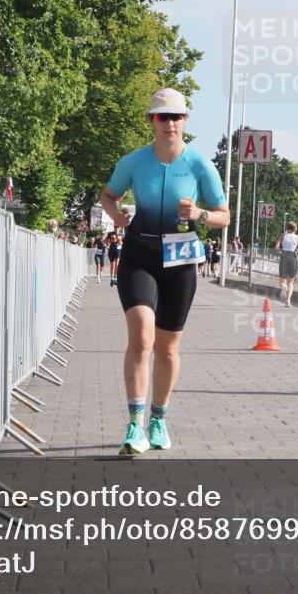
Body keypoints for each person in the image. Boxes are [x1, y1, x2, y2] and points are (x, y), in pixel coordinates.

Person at [100, 88, 230, 454]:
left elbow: (224, 216)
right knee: (142, 338)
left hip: (180, 260)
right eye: (162, 117)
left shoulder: (200, 165)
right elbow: (108, 196)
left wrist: (200, 214)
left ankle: (158, 418)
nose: (169, 123)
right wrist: (116, 215)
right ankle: (134, 425)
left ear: (185, 120)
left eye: (175, 116)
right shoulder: (134, 162)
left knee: (168, 349)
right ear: (151, 121)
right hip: (140, 255)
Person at [274, 221, 298, 307]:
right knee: (291, 282)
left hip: (284, 257)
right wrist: (297, 250)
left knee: (282, 280)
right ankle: (288, 301)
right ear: (295, 229)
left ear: (287, 228)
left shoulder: (283, 236)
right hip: (293, 258)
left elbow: (276, 248)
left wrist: (282, 250)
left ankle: (283, 287)